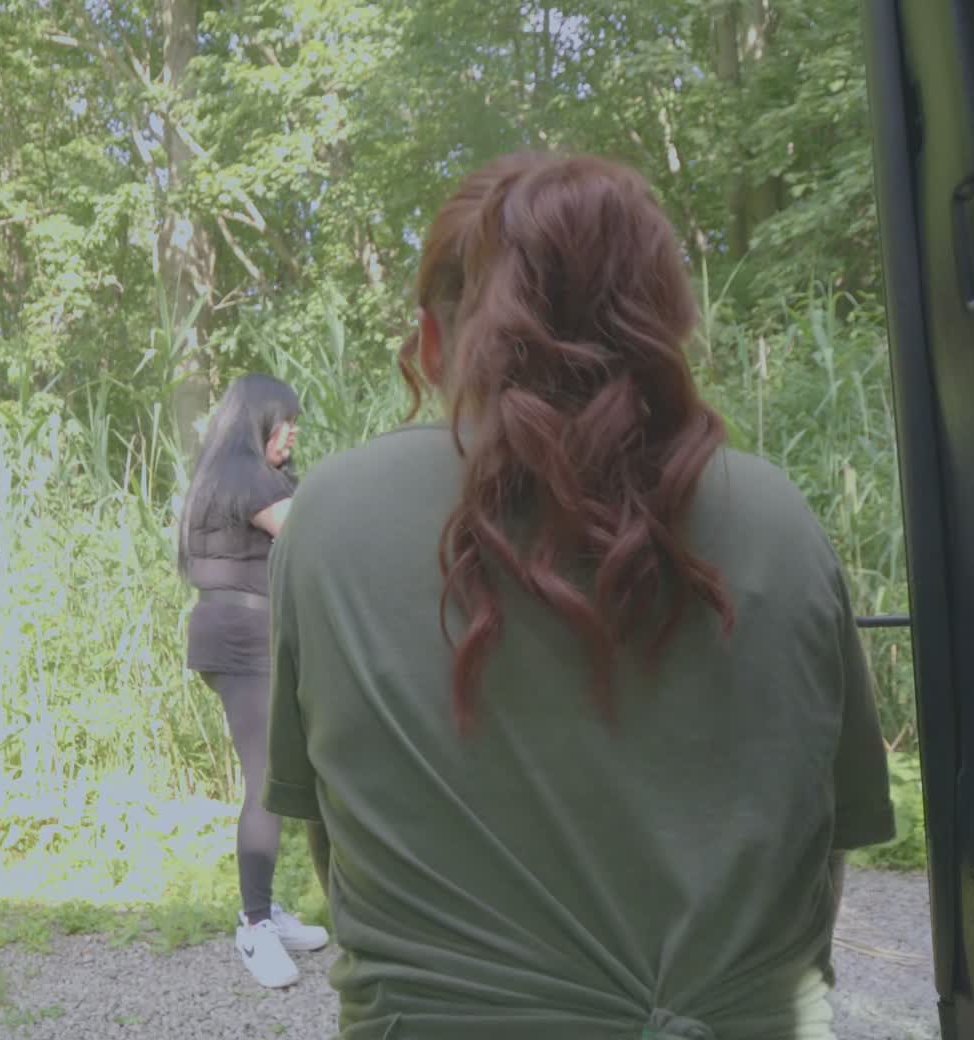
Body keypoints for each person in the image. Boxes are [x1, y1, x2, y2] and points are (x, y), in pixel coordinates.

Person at [262, 154, 897, 1039]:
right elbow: (819, 853)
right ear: (658, 328)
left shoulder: (330, 513)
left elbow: (341, 854)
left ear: (434, 343)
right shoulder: (779, 516)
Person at [177, 372, 331, 988]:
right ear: (256, 421)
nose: (292, 432)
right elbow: (313, 535)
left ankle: (267, 911)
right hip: (243, 640)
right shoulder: (246, 475)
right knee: (267, 782)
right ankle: (255, 924)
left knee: (289, 771)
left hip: (241, 636)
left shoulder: (224, 474)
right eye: (284, 421)